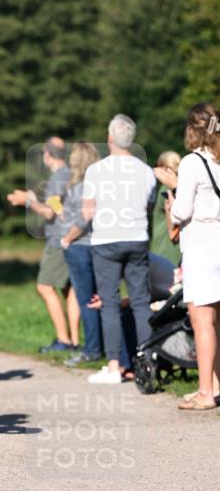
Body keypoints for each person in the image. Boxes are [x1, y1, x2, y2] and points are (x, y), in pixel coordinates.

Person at [82, 114, 156, 384]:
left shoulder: (96, 171)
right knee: (140, 303)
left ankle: (114, 366)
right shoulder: (146, 172)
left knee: (110, 304)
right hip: (136, 238)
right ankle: (148, 361)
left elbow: (87, 212)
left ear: (110, 138)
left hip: (105, 240)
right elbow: (147, 207)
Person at [169, 102, 220, 410]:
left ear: (191, 129)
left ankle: (204, 393)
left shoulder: (192, 163)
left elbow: (183, 211)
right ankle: (214, 385)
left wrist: (170, 201)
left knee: (202, 322)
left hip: (201, 246)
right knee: (217, 321)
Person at [7, 137, 79, 353]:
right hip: (72, 238)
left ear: (47, 155)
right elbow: (56, 205)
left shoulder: (58, 178)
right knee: (69, 290)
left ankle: (63, 340)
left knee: (45, 286)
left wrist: (27, 202)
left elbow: (50, 211)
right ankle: (74, 341)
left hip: (58, 239)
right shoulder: (68, 175)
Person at [59, 141, 103, 366]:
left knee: (86, 299)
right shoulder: (101, 185)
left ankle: (92, 349)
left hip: (80, 246)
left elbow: (84, 216)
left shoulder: (78, 188)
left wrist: (67, 238)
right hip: (99, 245)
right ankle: (104, 346)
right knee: (101, 298)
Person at [151, 151, 181, 266]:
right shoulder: (182, 186)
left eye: (157, 166)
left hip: (165, 249)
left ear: (166, 168)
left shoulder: (166, 188)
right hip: (179, 250)